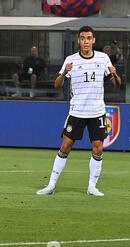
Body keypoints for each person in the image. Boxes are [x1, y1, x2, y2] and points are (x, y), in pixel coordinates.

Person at [37, 26, 121, 197]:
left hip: (97, 111)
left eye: (89, 38)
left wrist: (115, 74)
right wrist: (64, 72)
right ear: (78, 40)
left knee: (98, 148)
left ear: (93, 40)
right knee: (66, 146)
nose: (86, 41)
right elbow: (57, 85)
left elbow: (117, 84)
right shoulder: (71, 60)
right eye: (82, 38)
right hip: (77, 111)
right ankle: (51, 185)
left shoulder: (103, 58)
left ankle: (92, 187)